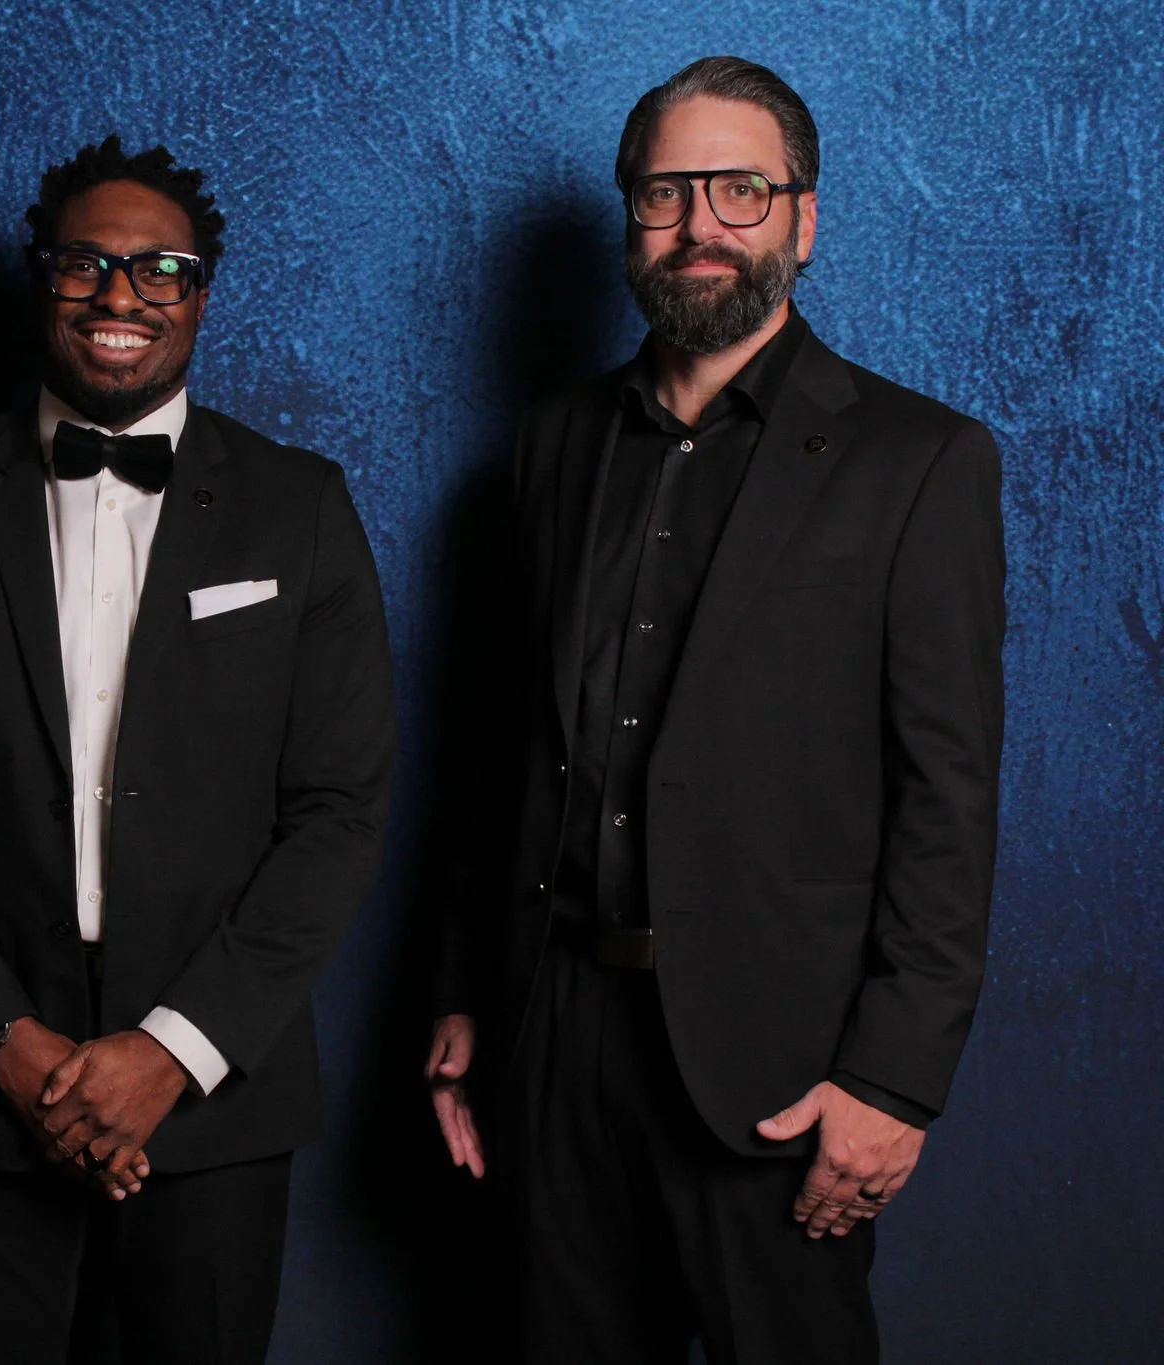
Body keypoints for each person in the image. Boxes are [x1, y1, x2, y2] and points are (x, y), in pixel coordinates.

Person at [425, 57, 1005, 1362]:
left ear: (804, 219)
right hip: (554, 1037)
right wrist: (470, 993)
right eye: (666, 193)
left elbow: (948, 801)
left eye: (741, 190)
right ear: (631, 216)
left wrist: (894, 1079)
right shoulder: (549, 446)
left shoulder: (921, 463)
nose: (701, 226)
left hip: (780, 1070)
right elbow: (497, 742)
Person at [0, 134, 396, 1362]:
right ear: (41, 281)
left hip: (213, 1106)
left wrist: (167, 1054)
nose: (119, 297)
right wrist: (5, 1047)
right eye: (84, 265)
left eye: (158, 269)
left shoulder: (302, 507)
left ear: (199, 294)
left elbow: (338, 812)